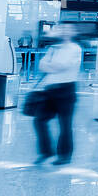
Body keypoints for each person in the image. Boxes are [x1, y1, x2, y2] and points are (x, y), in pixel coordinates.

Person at [32, 24, 82, 166]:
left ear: (73, 32)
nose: (64, 31)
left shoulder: (75, 48)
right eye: (62, 29)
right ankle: (46, 152)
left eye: (68, 29)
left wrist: (51, 66)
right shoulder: (53, 48)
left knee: (65, 124)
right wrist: (53, 66)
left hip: (66, 90)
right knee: (39, 120)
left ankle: (64, 155)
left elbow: (63, 65)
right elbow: (41, 65)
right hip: (49, 89)